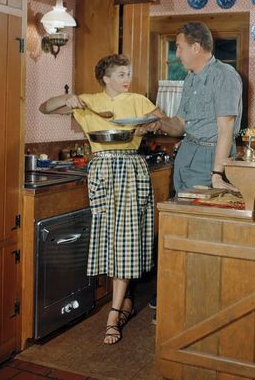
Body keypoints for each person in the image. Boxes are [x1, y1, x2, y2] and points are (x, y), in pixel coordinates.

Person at [39, 54, 164, 345]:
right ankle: (126, 298)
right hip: (102, 170)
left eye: (128, 74)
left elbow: (163, 121)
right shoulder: (88, 101)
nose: (126, 79)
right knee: (107, 238)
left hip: (132, 168)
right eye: (120, 74)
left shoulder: (137, 100)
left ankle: (114, 312)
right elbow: (45, 107)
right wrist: (67, 98)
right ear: (105, 78)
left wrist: (151, 126)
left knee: (127, 240)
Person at [142, 21, 242, 192]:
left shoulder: (224, 75)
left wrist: (217, 173)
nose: (177, 54)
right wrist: (159, 123)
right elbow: (181, 124)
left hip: (209, 159)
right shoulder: (190, 79)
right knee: (181, 214)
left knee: (199, 215)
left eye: (180, 47)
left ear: (196, 47)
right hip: (186, 153)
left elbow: (226, 128)